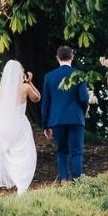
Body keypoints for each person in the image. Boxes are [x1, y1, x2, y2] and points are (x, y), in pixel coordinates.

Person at [0, 59, 39, 194]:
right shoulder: (25, 88)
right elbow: (37, 98)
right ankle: (22, 184)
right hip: (21, 126)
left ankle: (15, 181)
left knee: (8, 155)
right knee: (25, 154)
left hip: (4, 126)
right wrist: (30, 82)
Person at [41, 45, 89, 182]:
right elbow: (84, 98)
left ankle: (63, 179)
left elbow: (46, 102)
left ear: (57, 58)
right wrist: (83, 110)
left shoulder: (49, 77)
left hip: (56, 120)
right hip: (75, 118)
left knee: (61, 150)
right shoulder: (78, 75)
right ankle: (76, 180)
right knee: (76, 151)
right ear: (72, 57)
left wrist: (45, 125)